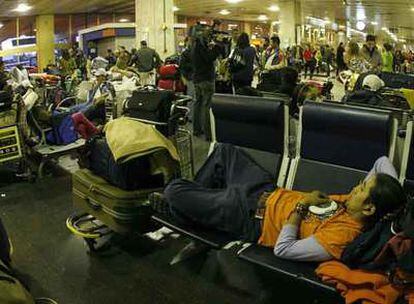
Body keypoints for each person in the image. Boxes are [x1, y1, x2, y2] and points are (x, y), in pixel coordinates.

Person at [153, 144, 406, 262]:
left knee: (174, 190)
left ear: (370, 208)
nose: (356, 186)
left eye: (362, 188)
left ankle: (186, 208)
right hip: (265, 189)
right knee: (224, 152)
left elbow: (284, 250)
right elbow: (382, 161)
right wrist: (399, 205)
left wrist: (302, 206)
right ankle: (196, 211)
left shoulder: (341, 236)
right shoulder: (357, 205)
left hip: (250, 216)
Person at [191, 31, 222, 140]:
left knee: (197, 104)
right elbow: (209, 58)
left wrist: (210, 48)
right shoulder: (201, 47)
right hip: (206, 79)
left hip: (197, 79)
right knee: (207, 105)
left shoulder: (195, 47)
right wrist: (216, 48)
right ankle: (209, 134)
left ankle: (196, 129)